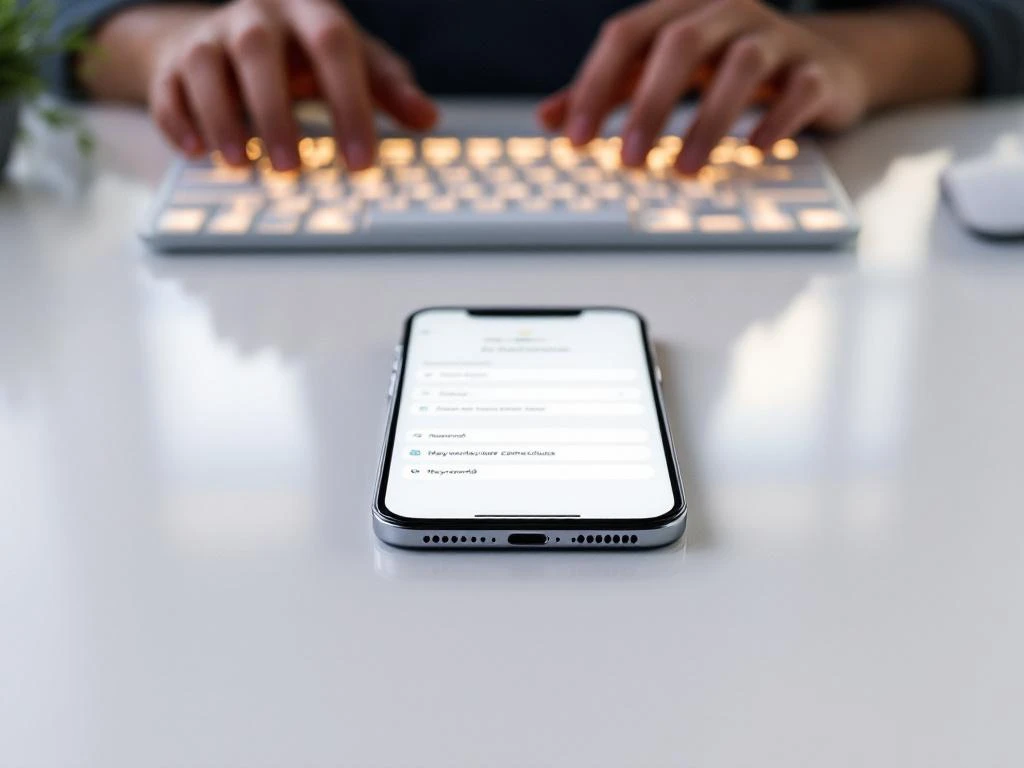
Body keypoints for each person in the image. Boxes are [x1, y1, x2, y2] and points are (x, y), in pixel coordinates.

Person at [47, 0, 1024, 173]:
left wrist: (849, 52)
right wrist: (164, 41)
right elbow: (49, 17)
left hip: (709, 180)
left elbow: (998, 19)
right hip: (318, 187)